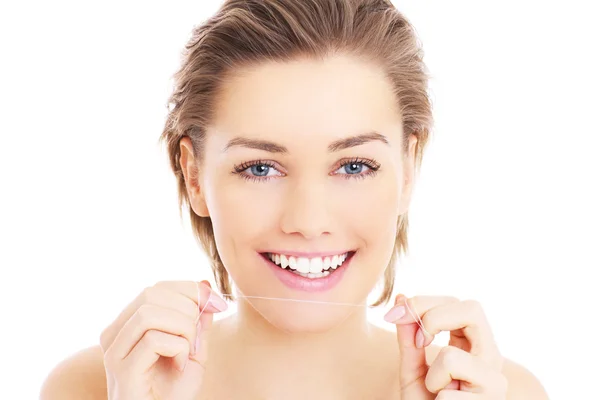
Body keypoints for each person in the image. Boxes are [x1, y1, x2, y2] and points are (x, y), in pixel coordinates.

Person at [41, 0, 549, 399]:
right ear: (194, 176)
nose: (308, 221)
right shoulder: (94, 390)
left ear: (409, 168)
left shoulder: (500, 393)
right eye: (260, 168)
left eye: (354, 166)